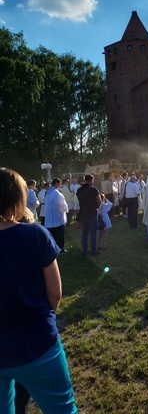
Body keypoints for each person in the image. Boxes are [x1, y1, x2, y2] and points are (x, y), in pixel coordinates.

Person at [0, 167, 78, 412]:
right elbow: (55, 292)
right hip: (36, 342)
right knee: (61, 408)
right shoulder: (34, 235)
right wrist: (45, 318)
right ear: (17, 197)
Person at [76, 174, 100, 256]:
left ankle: (85, 250)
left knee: (84, 233)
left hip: (83, 213)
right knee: (93, 233)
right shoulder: (93, 189)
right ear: (91, 180)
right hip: (92, 212)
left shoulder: (79, 190)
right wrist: (97, 206)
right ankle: (93, 251)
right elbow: (99, 200)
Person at [44, 178, 69, 252]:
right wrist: (65, 209)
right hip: (57, 216)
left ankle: (52, 248)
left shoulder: (47, 192)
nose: (60, 185)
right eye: (59, 183)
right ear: (56, 184)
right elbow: (61, 204)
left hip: (49, 217)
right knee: (59, 234)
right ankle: (61, 248)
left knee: (52, 234)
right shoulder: (56, 193)